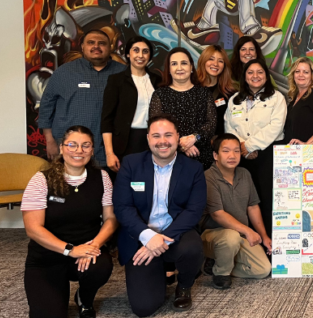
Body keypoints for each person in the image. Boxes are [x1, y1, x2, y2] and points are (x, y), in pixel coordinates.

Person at [113, 114, 207, 317]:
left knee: (192, 248)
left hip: (176, 233)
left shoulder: (194, 169)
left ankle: (184, 285)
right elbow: (122, 207)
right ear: (148, 139)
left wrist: (160, 239)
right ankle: (160, 273)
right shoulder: (131, 164)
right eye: (156, 135)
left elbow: (194, 211)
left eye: (168, 135)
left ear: (177, 137)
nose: (162, 141)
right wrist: (148, 237)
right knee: (144, 308)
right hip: (140, 237)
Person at [22, 125, 117, 318]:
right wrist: (71, 250)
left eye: (85, 145)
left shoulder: (102, 177)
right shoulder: (41, 180)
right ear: (62, 147)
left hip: (87, 251)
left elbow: (111, 219)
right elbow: (33, 229)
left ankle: (84, 298)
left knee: (100, 266)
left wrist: (94, 245)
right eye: (72, 145)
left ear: (92, 149)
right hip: (46, 259)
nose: (79, 151)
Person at [39, 29, 126, 165]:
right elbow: (46, 107)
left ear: (110, 48)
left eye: (102, 43)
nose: (96, 46)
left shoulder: (124, 72)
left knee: (105, 185)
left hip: (110, 151)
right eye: (91, 42)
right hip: (70, 150)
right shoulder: (64, 73)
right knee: (68, 185)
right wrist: (50, 141)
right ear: (82, 47)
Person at [200, 134, 272, 289]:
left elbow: (252, 206)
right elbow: (217, 214)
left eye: (236, 151)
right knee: (231, 237)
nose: (232, 156)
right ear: (215, 155)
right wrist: (248, 231)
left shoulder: (244, 174)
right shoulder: (208, 176)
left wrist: (264, 236)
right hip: (213, 235)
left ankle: (216, 264)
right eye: (226, 151)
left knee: (263, 269)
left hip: (239, 235)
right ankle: (221, 272)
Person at [224, 59, 286, 234]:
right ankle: (247, 241)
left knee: (267, 200)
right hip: (240, 158)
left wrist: (249, 146)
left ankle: (269, 244)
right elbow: (229, 127)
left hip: (267, 157)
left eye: (260, 72)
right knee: (243, 200)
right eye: (250, 72)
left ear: (266, 76)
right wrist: (241, 149)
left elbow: (276, 126)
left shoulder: (277, 98)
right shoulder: (235, 100)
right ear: (244, 76)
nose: (255, 76)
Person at [149, 47, 217, 169]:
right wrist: (182, 144)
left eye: (184, 63)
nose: (179, 68)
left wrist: (194, 138)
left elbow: (211, 123)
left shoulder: (204, 93)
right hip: (170, 157)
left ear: (191, 67)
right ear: (169, 69)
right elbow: (156, 126)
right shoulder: (160, 94)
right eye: (174, 64)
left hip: (202, 156)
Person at [101, 36, 161, 176]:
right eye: (136, 50)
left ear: (150, 56)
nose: (140, 55)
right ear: (128, 54)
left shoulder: (158, 80)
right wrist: (109, 153)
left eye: (145, 51)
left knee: (149, 182)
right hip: (125, 143)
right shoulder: (116, 80)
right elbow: (106, 119)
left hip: (152, 140)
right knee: (125, 184)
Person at [197, 44, 236, 139]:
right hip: (194, 146)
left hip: (220, 146)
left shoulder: (230, 93)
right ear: (203, 61)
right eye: (211, 59)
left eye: (220, 61)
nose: (215, 64)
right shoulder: (191, 88)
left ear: (224, 66)